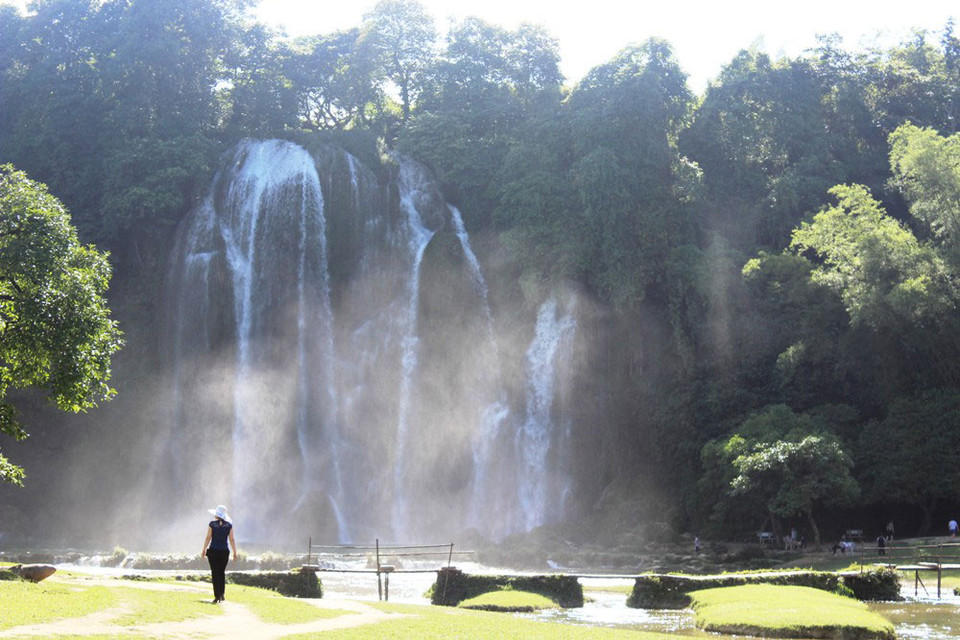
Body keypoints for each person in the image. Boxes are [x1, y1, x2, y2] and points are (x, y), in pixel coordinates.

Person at [201, 504, 237, 603]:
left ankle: (216, 596)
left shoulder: (212, 524)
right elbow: (232, 539)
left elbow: (208, 538)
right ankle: (222, 594)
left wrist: (204, 549)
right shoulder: (229, 526)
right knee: (221, 572)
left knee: (215, 573)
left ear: (217, 515)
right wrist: (234, 552)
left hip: (213, 551)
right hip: (224, 552)